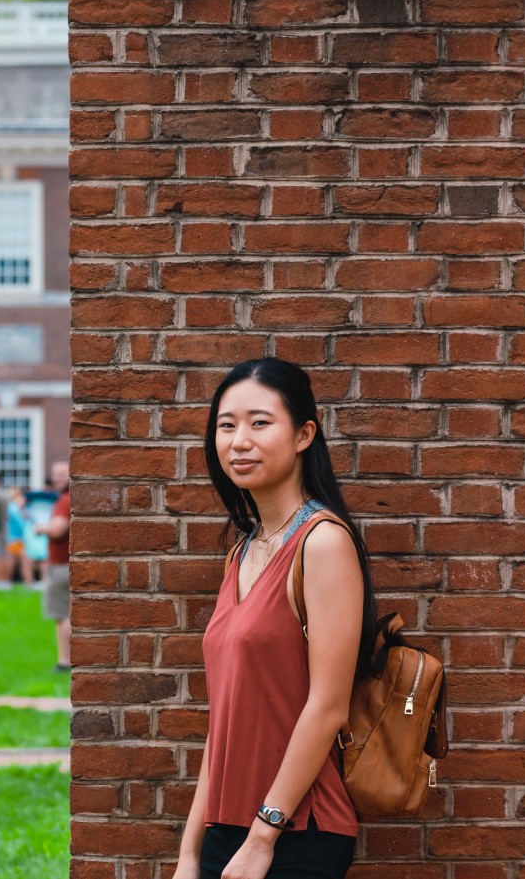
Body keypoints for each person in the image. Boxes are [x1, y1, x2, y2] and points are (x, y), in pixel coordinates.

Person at [171, 358, 375, 879]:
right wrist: (190, 853)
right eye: (226, 425)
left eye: (260, 423)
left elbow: (327, 707)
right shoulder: (241, 553)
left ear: (304, 434)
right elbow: (224, 721)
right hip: (226, 829)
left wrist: (263, 836)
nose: (240, 441)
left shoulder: (322, 543)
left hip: (295, 831)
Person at [34, 461, 71, 673]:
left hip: (61, 567)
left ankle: (64, 662)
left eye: (62, 473)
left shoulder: (65, 500)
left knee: (62, 614)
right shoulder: (67, 499)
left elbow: (58, 530)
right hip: (64, 565)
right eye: (55, 474)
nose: (58, 477)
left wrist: (42, 528)